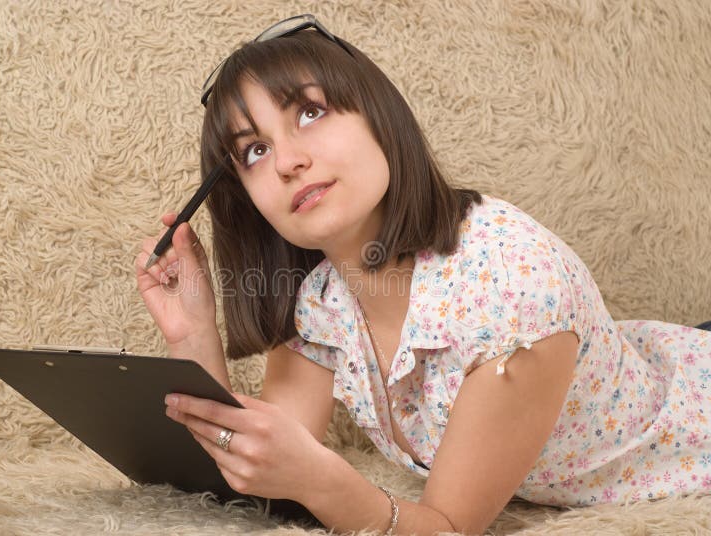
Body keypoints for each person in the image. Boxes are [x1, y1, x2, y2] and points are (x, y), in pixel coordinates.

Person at [135, 14, 711, 535]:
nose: (287, 162)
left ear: (378, 115)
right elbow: (259, 465)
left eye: (310, 113)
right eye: (255, 150)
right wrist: (194, 339)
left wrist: (324, 482)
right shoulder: (321, 301)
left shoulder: (516, 288)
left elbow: (445, 528)